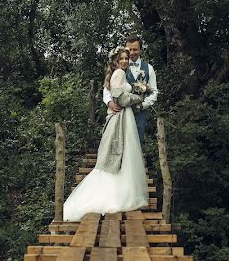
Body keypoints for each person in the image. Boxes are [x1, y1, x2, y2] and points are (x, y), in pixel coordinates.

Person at [63, 46, 149, 221]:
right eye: (122, 59)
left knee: (123, 153)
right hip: (122, 117)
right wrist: (138, 97)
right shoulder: (119, 74)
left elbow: (118, 94)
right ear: (116, 61)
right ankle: (118, 193)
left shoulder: (116, 74)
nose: (125, 61)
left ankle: (122, 189)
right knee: (120, 151)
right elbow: (121, 98)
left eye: (126, 58)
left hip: (125, 117)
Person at [104, 36, 158, 146]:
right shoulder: (120, 67)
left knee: (136, 144)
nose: (132, 52)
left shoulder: (148, 68)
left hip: (139, 114)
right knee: (118, 144)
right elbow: (107, 88)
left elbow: (154, 92)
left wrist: (142, 106)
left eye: (135, 49)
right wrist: (109, 102)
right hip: (120, 112)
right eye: (130, 49)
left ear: (140, 50)